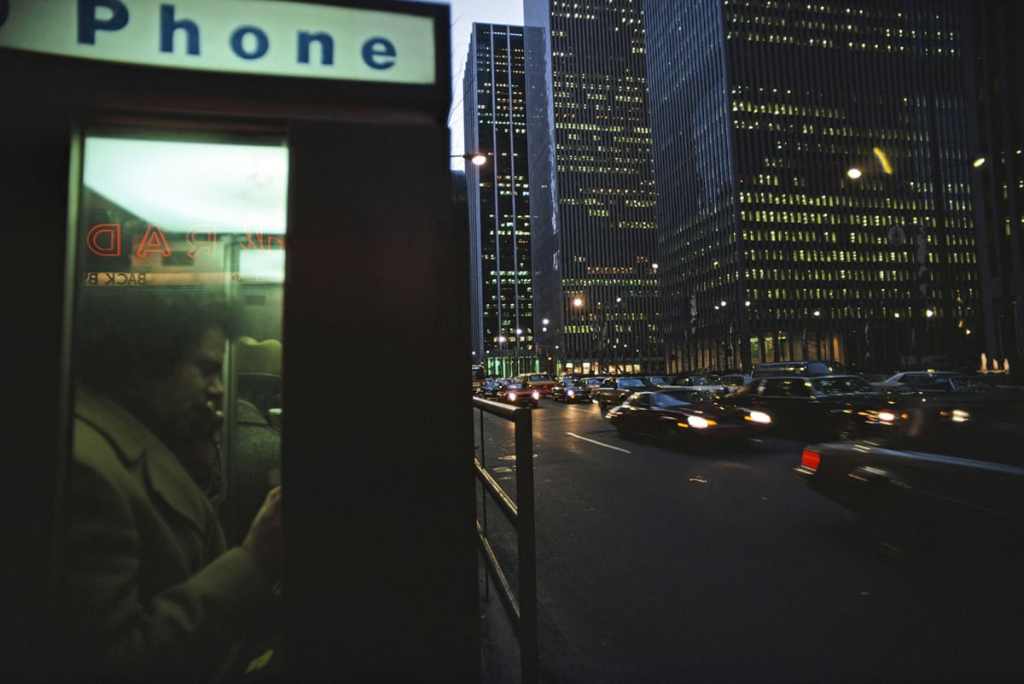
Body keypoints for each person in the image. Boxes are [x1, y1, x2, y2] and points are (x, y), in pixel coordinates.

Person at [61, 288, 283, 683]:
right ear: (148, 362)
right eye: (207, 370)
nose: (217, 389)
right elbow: (116, 661)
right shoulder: (86, 471)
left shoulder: (131, 441)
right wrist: (255, 559)